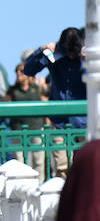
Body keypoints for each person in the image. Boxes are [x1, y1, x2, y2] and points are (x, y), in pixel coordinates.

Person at [23, 27, 86, 179]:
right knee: (61, 167)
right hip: (59, 121)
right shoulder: (55, 54)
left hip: (85, 121)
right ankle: (61, 200)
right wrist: (42, 50)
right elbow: (29, 70)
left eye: (73, 54)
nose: (71, 57)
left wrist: (88, 57)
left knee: (86, 165)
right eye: (68, 53)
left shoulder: (85, 55)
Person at [5, 63, 46, 177]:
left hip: (36, 127)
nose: (19, 74)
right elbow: (4, 103)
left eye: (21, 71)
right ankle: (20, 181)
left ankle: (39, 183)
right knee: (18, 158)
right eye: (17, 71)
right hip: (17, 128)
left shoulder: (36, 88)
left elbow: (45, 102)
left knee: (38, 159)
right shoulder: (13, 90)